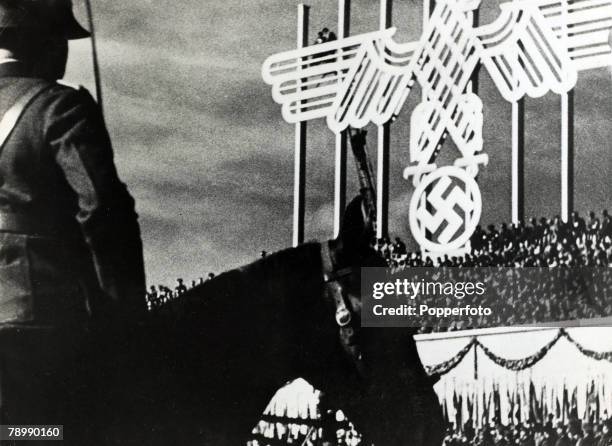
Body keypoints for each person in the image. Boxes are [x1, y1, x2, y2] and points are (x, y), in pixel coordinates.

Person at [0, 0, 145, 442]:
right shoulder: (59, 108)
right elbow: (103, 213)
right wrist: (126, 317)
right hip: (34, 324)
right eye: (63, 37)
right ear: (43, 39)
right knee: (54, 434)